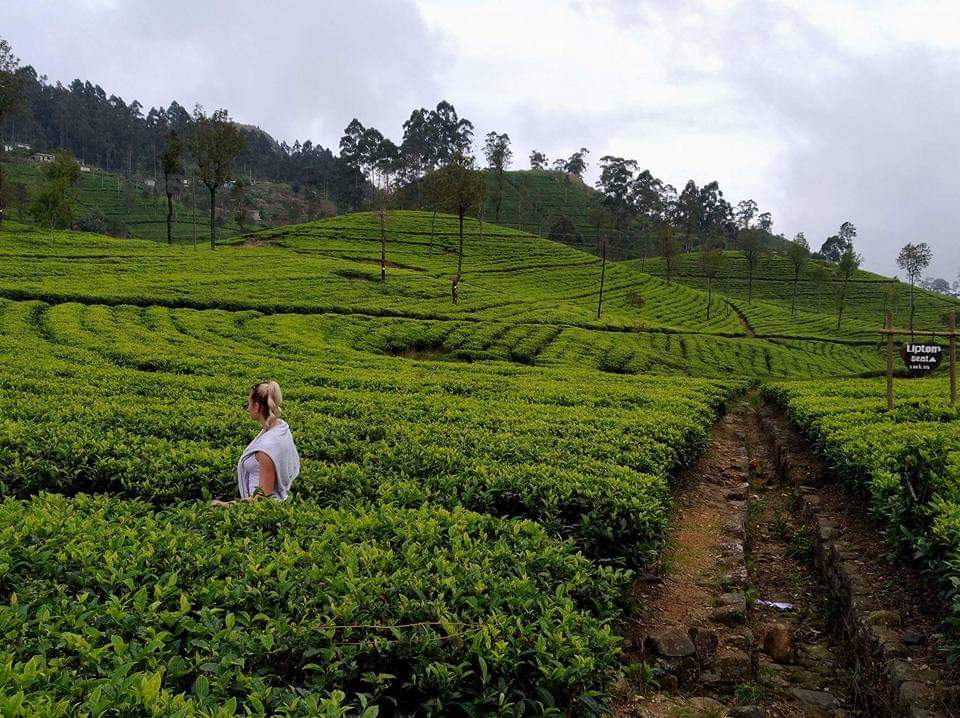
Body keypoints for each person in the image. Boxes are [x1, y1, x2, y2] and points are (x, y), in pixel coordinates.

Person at [211, 381, 300, 506]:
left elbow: (262, 499)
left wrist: (224, 505)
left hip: (259, 510)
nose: (248, 408)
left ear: (257, 406)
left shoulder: (266, 450)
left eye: (249, 403)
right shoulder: (280, 427)